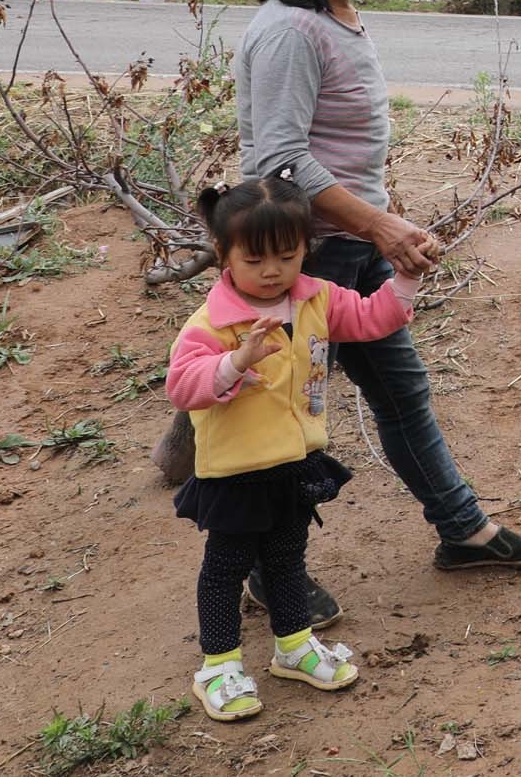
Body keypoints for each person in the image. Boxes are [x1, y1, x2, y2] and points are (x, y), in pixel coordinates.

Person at [236, 0, 521, 629]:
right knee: (290, 420)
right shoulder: (290, 30)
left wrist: (382, 223)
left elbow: (337, 148)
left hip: (355, 250)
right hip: (305, 262)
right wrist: (379, 225)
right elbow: (280, 160)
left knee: (402, 396)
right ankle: (264, 571)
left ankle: (464, 530)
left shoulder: (336, 14)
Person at [166, 175, 410, 721]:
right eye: (254, 261)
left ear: (306, 250)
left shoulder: (317, 298)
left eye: (286, 256)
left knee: (286, 557)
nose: (271, 271)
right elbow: (181, 385)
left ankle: (293, 646)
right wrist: (234, 362)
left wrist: (407, 279)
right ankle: (219, 665)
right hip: (233, 469)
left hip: (293, 461)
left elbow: (374, 317)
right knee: (226, 566)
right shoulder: (214, 323)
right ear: (224, 256)